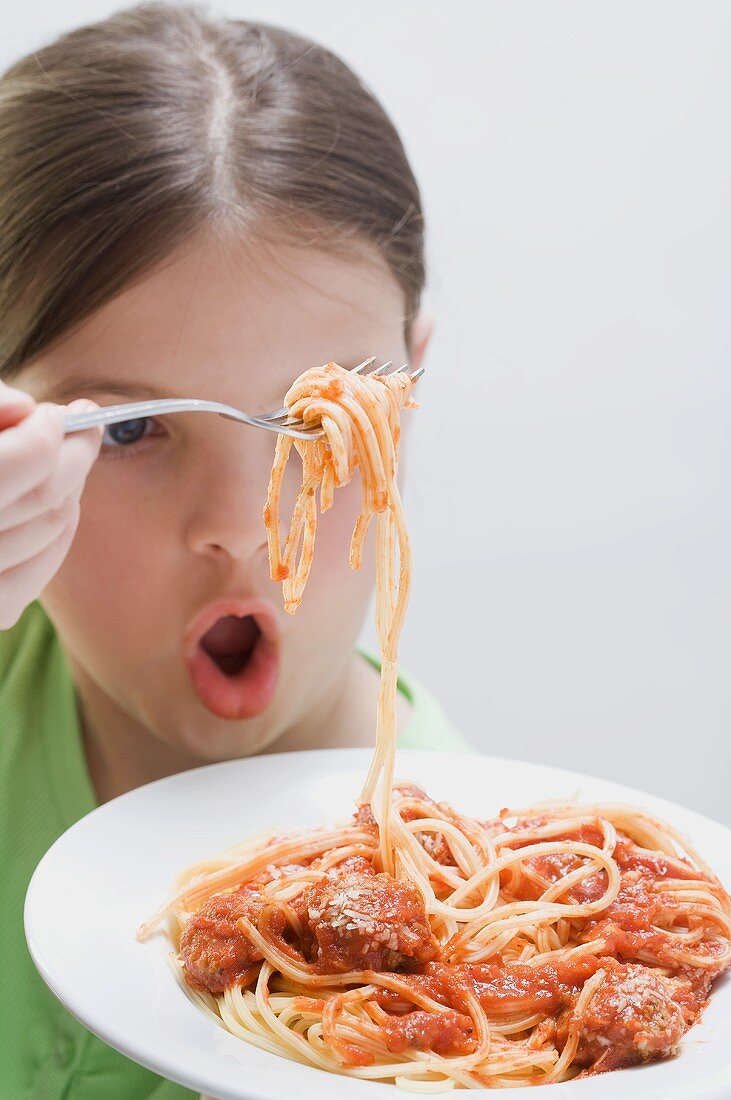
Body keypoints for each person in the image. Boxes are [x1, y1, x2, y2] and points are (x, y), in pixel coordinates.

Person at [0, 4, 470, 1098]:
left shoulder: (479, 898)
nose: (243, 522)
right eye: (125, 429)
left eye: (321, 424)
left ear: (412, 381)